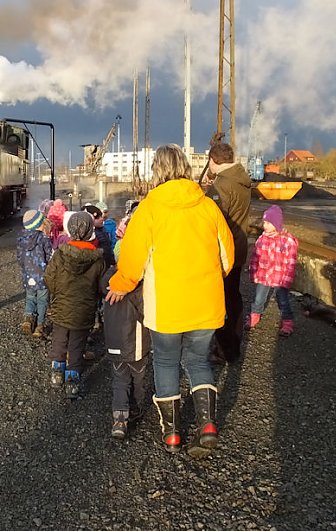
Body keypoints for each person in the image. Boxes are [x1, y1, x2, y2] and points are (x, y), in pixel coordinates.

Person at [107, 144, 235, 457]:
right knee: (198, 360)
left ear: (158, 170)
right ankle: (207, 426)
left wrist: (119, 285)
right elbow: (227, 258)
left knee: (165, 362)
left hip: (166, 307)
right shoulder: (207, 207)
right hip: (206, 304)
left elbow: (132, 261)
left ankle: (173, 432)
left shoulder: (150, 209)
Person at [44, 211, 106, 399]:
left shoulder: (60, 255)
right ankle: (72, 379)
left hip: (62, 304)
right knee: (77, 344)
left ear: (69, 230)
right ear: (90, 232)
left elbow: (49, 277)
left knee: (60, 339)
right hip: (84, 308)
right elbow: (102, 286)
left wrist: (58, 293)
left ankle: (57, 373)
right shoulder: (97, 259)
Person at [203, 142, 252, 363]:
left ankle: (226, 348)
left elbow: (213, 221)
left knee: (220, 300)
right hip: (240, 244)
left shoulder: (221, 187)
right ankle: (233, 344)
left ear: (213, 161)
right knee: (233, 296)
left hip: (224, 250)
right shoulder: (241, 180)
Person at [103, 221, 151, 441]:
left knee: (119, 380)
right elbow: (145, 314)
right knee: (138, 379)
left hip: (113, 341)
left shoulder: (107, 280)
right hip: (136, 342)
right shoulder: (138, 288)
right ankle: (136, 409)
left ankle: (119, 419)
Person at [248, 205, 298, 336]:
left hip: (280, 277)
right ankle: (254, 316)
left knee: (282, 300)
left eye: (269, 223)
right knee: (258, 298)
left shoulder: (287, 241)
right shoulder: (262, 239)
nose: (265, 225)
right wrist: (253, 272)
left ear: (277, 224)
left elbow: (291, 262)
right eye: (265, 222)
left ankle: (287, 321)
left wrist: (287, 280)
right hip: (264, 275)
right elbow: (255, 257)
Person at [16, 209, 53, 338]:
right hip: (42, 275)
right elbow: (49, 256)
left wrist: (25, 268)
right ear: (39, 224)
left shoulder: (21, 239)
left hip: (28, 274)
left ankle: (28, 319)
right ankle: (39, 326)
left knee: (30, 298)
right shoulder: (44, 238)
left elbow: (19, 258)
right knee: (42, 300)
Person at [83, 204, 115, 268]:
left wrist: (112, 261)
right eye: (97, 217)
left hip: (106, 264)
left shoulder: (103, 230)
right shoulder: (89, 234)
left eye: (101, 216)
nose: (101, 219)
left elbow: (108, 247)